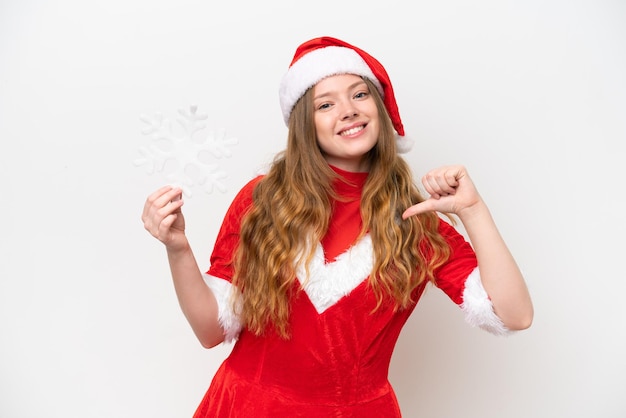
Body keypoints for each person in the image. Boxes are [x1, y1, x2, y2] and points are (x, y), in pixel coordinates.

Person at [141, 36, 533, 417]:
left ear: (379, 107)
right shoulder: (263, 199)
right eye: (325, 104)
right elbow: (212, 331)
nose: (348, 110)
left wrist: (474, 210)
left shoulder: (417, 220)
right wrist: (177, 247)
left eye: (360, 95)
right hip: (245, 407)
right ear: (304, 125)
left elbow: (514, 315)